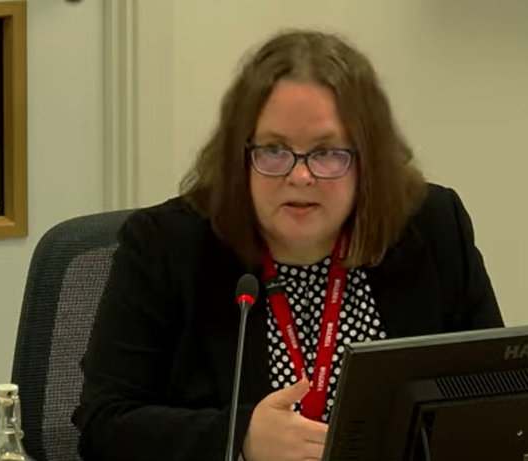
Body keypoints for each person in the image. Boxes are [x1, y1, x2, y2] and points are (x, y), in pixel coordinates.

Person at [72, 29, 504, 461]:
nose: (300, 177)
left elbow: (499, 394)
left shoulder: (430, 227)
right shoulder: (167, 246)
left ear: (367, 160)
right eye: (275, 150)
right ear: (240, 156)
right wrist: (238, 437)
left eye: (327, 152)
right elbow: (104, 423)